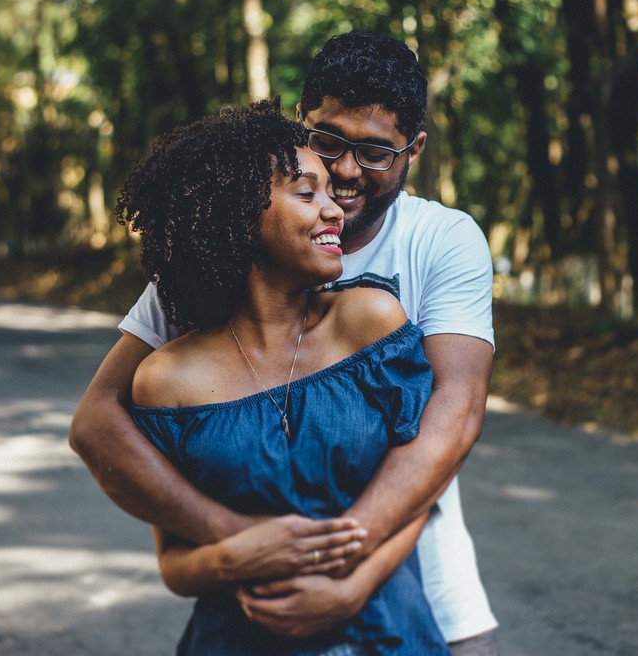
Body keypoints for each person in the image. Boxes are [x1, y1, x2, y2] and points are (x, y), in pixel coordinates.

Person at [70, 32, 498, 654]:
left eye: (376, 152)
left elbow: (451, 423)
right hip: (253, 615)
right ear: (300, 127)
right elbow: (98, 424)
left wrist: (344, 570)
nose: (346, 173)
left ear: (414, 151)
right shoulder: (204, 274)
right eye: (329, 143)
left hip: (417, 592)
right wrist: (240, 541)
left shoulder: (439, 244)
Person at [120, 100, 449, 653]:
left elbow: (419, 492)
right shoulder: (165, 379)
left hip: (386, 633)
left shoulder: (370, 323)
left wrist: (353, 586)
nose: (335, 211)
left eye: (329, 193)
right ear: (240, 213)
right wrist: (237, 554)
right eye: (307, 194)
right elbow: (176, 565)